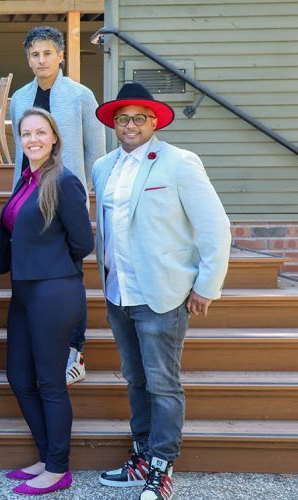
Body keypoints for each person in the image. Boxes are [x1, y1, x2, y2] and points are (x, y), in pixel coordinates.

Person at [92, 83, 231, 500]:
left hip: (163, 295)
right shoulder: (103, 167)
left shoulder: (179, 163)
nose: (130, 125)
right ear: (113, 124)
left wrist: (206, 285)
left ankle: (161, 465)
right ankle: (140, 456)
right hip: (119, 293)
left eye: (139, 118)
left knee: (162, 384)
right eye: (122, 119)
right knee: (135, 379)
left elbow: (215, 227)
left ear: (154, 122)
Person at [0, 107, 94, 496]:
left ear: (53, 138)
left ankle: (59, 467)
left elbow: (83, 242)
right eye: (26, 133)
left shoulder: (64, 181)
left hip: (53, 290)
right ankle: (45, 455)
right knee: (19, 377)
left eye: (40, 132)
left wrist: (52, 266)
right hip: (24, 291)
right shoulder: (27, 180)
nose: (33, 139)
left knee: (50, 383)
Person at [9, 26, 106, 386]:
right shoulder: (20, 97)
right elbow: (22, 152)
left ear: (61, 55)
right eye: (34, 54)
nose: (41, 60)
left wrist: (84, 190)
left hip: (66, 193)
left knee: (71, 271)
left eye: (47, 53)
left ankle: (74, 351)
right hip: (30, 198)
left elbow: (95, 149)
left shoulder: (81, 95)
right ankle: (43, 347)